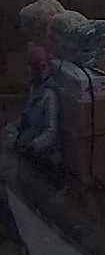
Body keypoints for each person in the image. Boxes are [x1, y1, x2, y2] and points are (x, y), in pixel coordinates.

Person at [16, 45, 61, 179]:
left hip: (45, 156)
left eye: (32, 67)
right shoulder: (35, 89)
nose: (29, 70)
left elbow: (51, 133)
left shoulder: (49, 95)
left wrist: (32, 147)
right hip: (30, 146)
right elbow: (29, 116)